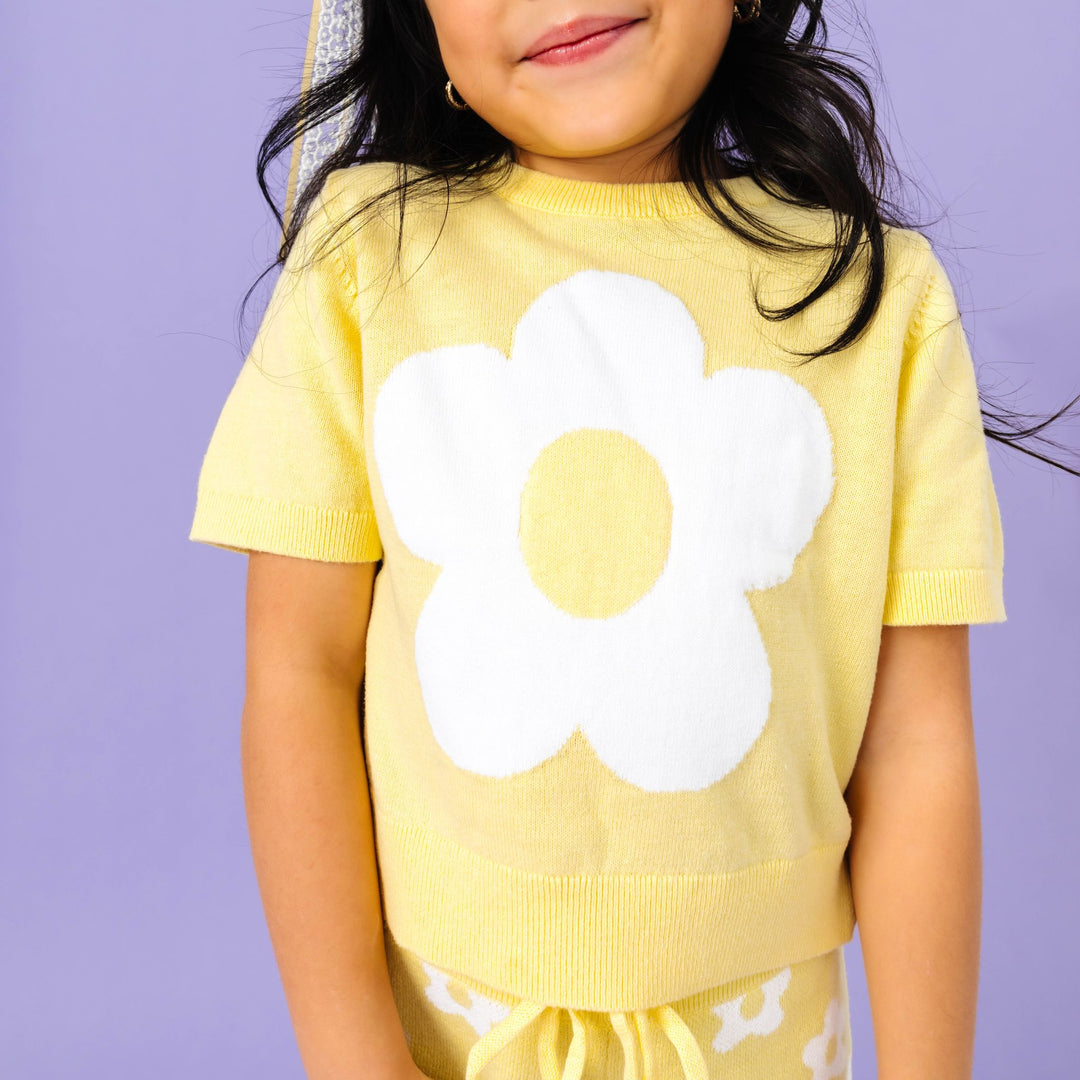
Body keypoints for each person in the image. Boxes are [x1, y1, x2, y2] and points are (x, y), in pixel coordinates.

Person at [188, 1, 1078, 1078]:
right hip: (442, 1029)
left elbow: (917, 748)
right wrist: (354, 1062)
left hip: (764, 1033)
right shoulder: (365, 262)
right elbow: (299, 677)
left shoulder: (881, 302)